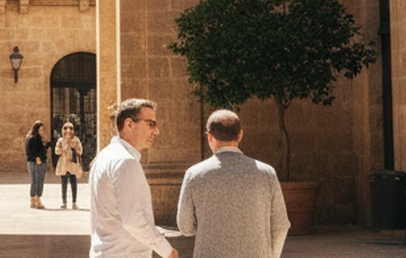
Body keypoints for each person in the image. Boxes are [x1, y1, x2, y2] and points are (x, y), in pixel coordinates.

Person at [175, 110, 289, 258]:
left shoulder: (194, 174)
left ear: (209, 137)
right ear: (240, 135)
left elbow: (185, 227)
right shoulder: (266, 173)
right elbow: (280, 225)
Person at [88, 99, 177, 258]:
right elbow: (133, 221)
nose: (156, 132)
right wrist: (167, 251)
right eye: (151, 124)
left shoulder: (104, 157)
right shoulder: (125, 162)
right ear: (129, 125)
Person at [54, 122, 85, 209]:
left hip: (73, 165)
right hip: (64, 165)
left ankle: (74, 202)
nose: (68, 132)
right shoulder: (60, 140)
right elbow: (57, 151)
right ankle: (64, 202)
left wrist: (74, 147)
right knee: (64, 184)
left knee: (73, 183)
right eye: (66, 129)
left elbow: (80, 151)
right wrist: (64, 147)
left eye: (70, 129)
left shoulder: (76, 140)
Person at [25, 120, 50, 209]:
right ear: (36, 129)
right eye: (40, 130)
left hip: (42, 162)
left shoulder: (40, 139)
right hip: (34, 163)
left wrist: (47, 144)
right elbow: (29, 151)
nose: (42, 132)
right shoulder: (31, 138)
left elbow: (42, 150)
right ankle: (34, 199)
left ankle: (37, 198)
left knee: (40, 180)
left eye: (43, 130)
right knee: (35, 180)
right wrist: (36, 158)